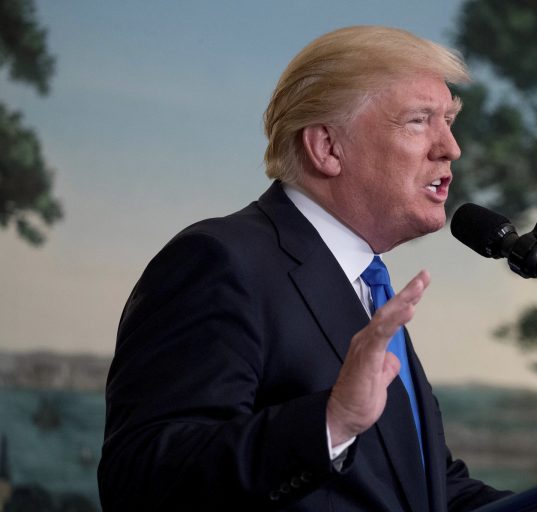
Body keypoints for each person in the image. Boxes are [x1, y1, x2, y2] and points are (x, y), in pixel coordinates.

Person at [98, 25, 510, 511]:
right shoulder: (220, 262)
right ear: (327, 148)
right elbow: (142, 481)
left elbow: (427, 491)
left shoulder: (366, 286)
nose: (450, 148)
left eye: (449, 120)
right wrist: (330, 423)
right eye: (419, 121)